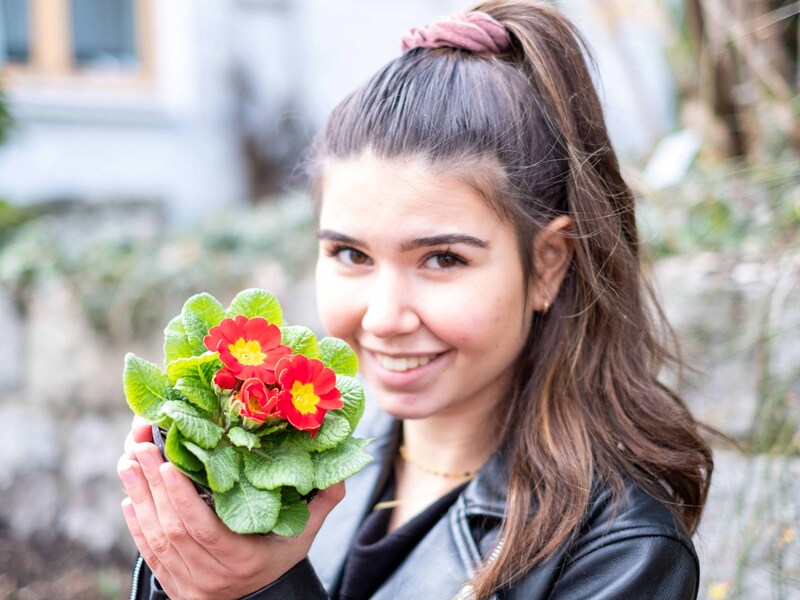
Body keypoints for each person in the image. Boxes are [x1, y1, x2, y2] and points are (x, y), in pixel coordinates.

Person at [118, 1, 714, 598]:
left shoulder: (621, 554)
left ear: (547, 265)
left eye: (442, 259)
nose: (384, 318)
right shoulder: (297, 463)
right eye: (351, 255)